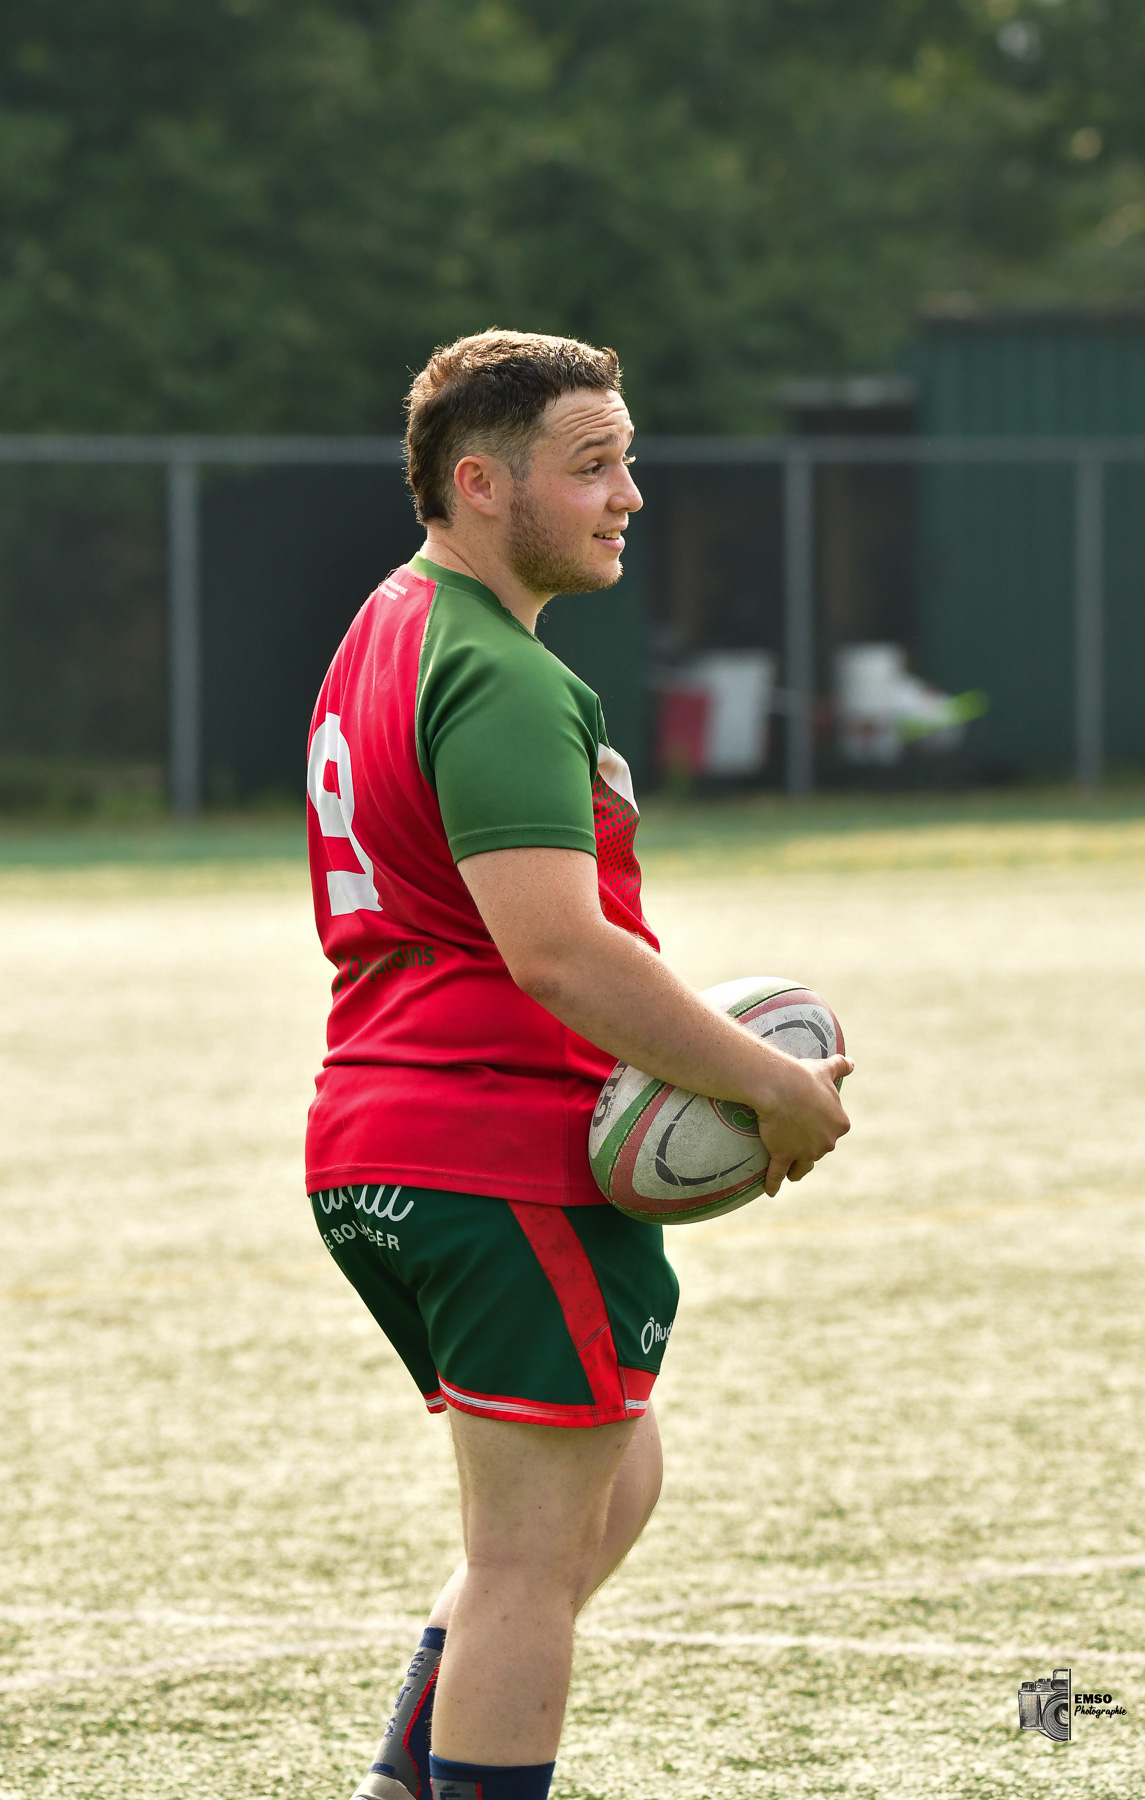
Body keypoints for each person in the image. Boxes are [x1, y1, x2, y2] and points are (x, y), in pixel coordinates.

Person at [304, 329, 852, 1800]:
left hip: (380, 1141)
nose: (631, 495)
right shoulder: (500, 674)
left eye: (627, 460)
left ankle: (400, 1781)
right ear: (481, 484)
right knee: (524, 1571)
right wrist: (770, 1082)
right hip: (494, 1156)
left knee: (616, 1479)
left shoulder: (389, 621)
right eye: (591, 465)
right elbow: (561, 956)